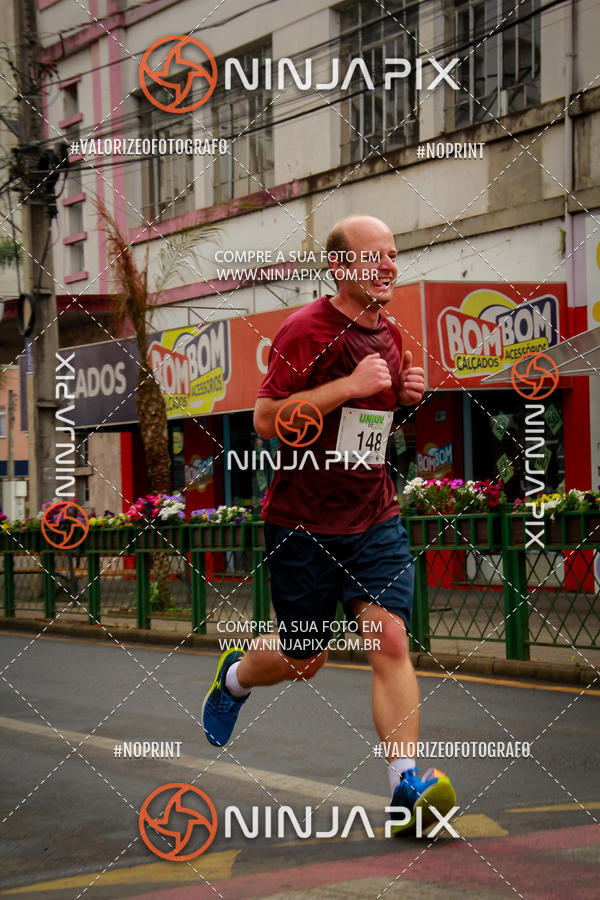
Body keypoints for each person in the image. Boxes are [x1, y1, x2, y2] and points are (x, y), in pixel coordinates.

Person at [202, 214, 456, 834]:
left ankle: (405, 790)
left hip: (373, 516)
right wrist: (347, 384)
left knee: (388, 639)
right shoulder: (305, 330)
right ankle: (234, 678)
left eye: (395, 255)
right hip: (302, 526)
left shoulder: (392, 334)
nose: (390, 266)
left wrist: (402, 399)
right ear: (342, 269)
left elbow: (365, 435)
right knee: (303, 658)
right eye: (376, 257)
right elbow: (265, 420)